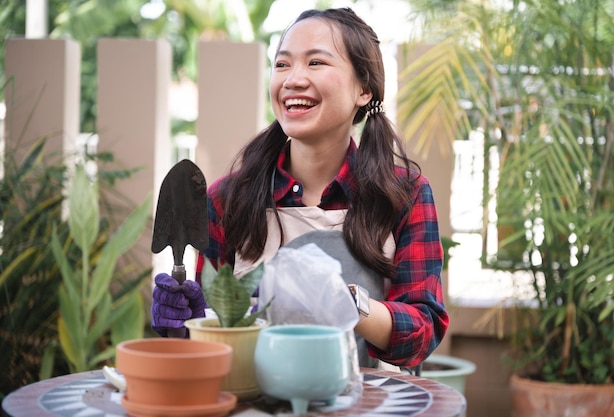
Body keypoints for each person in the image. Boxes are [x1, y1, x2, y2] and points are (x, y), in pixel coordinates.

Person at [151, 7, 449, 369]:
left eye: (316, 63)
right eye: (282, 65)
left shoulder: (405, 195)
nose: (293, 79)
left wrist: (346, 300)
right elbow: (206, 350)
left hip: (371, 403)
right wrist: (186, 323)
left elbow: (422, 332)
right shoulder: (227, 199)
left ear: (364, 89)